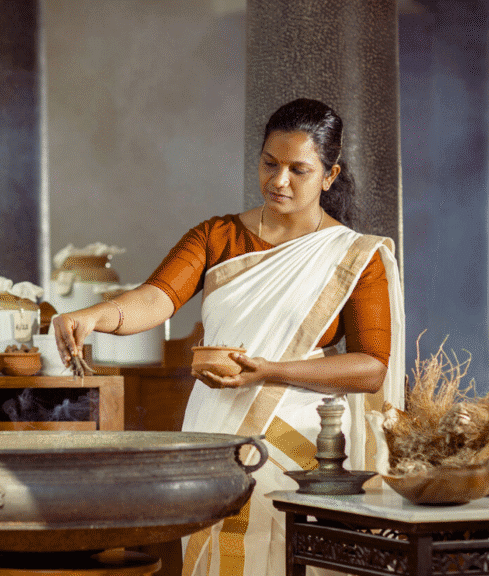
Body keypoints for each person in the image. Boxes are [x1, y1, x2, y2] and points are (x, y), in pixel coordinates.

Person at [53, 98, 405, 575]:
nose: (279, 181)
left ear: (329, 175)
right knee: (221, 553)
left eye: (298, 170)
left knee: (281, 551)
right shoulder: (218, 236)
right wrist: (93, 316)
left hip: (301, 441)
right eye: (269, 164)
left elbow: (371, 367)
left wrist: (269, 371)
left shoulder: (353, 256)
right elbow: (158, 297)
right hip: (214, 432)